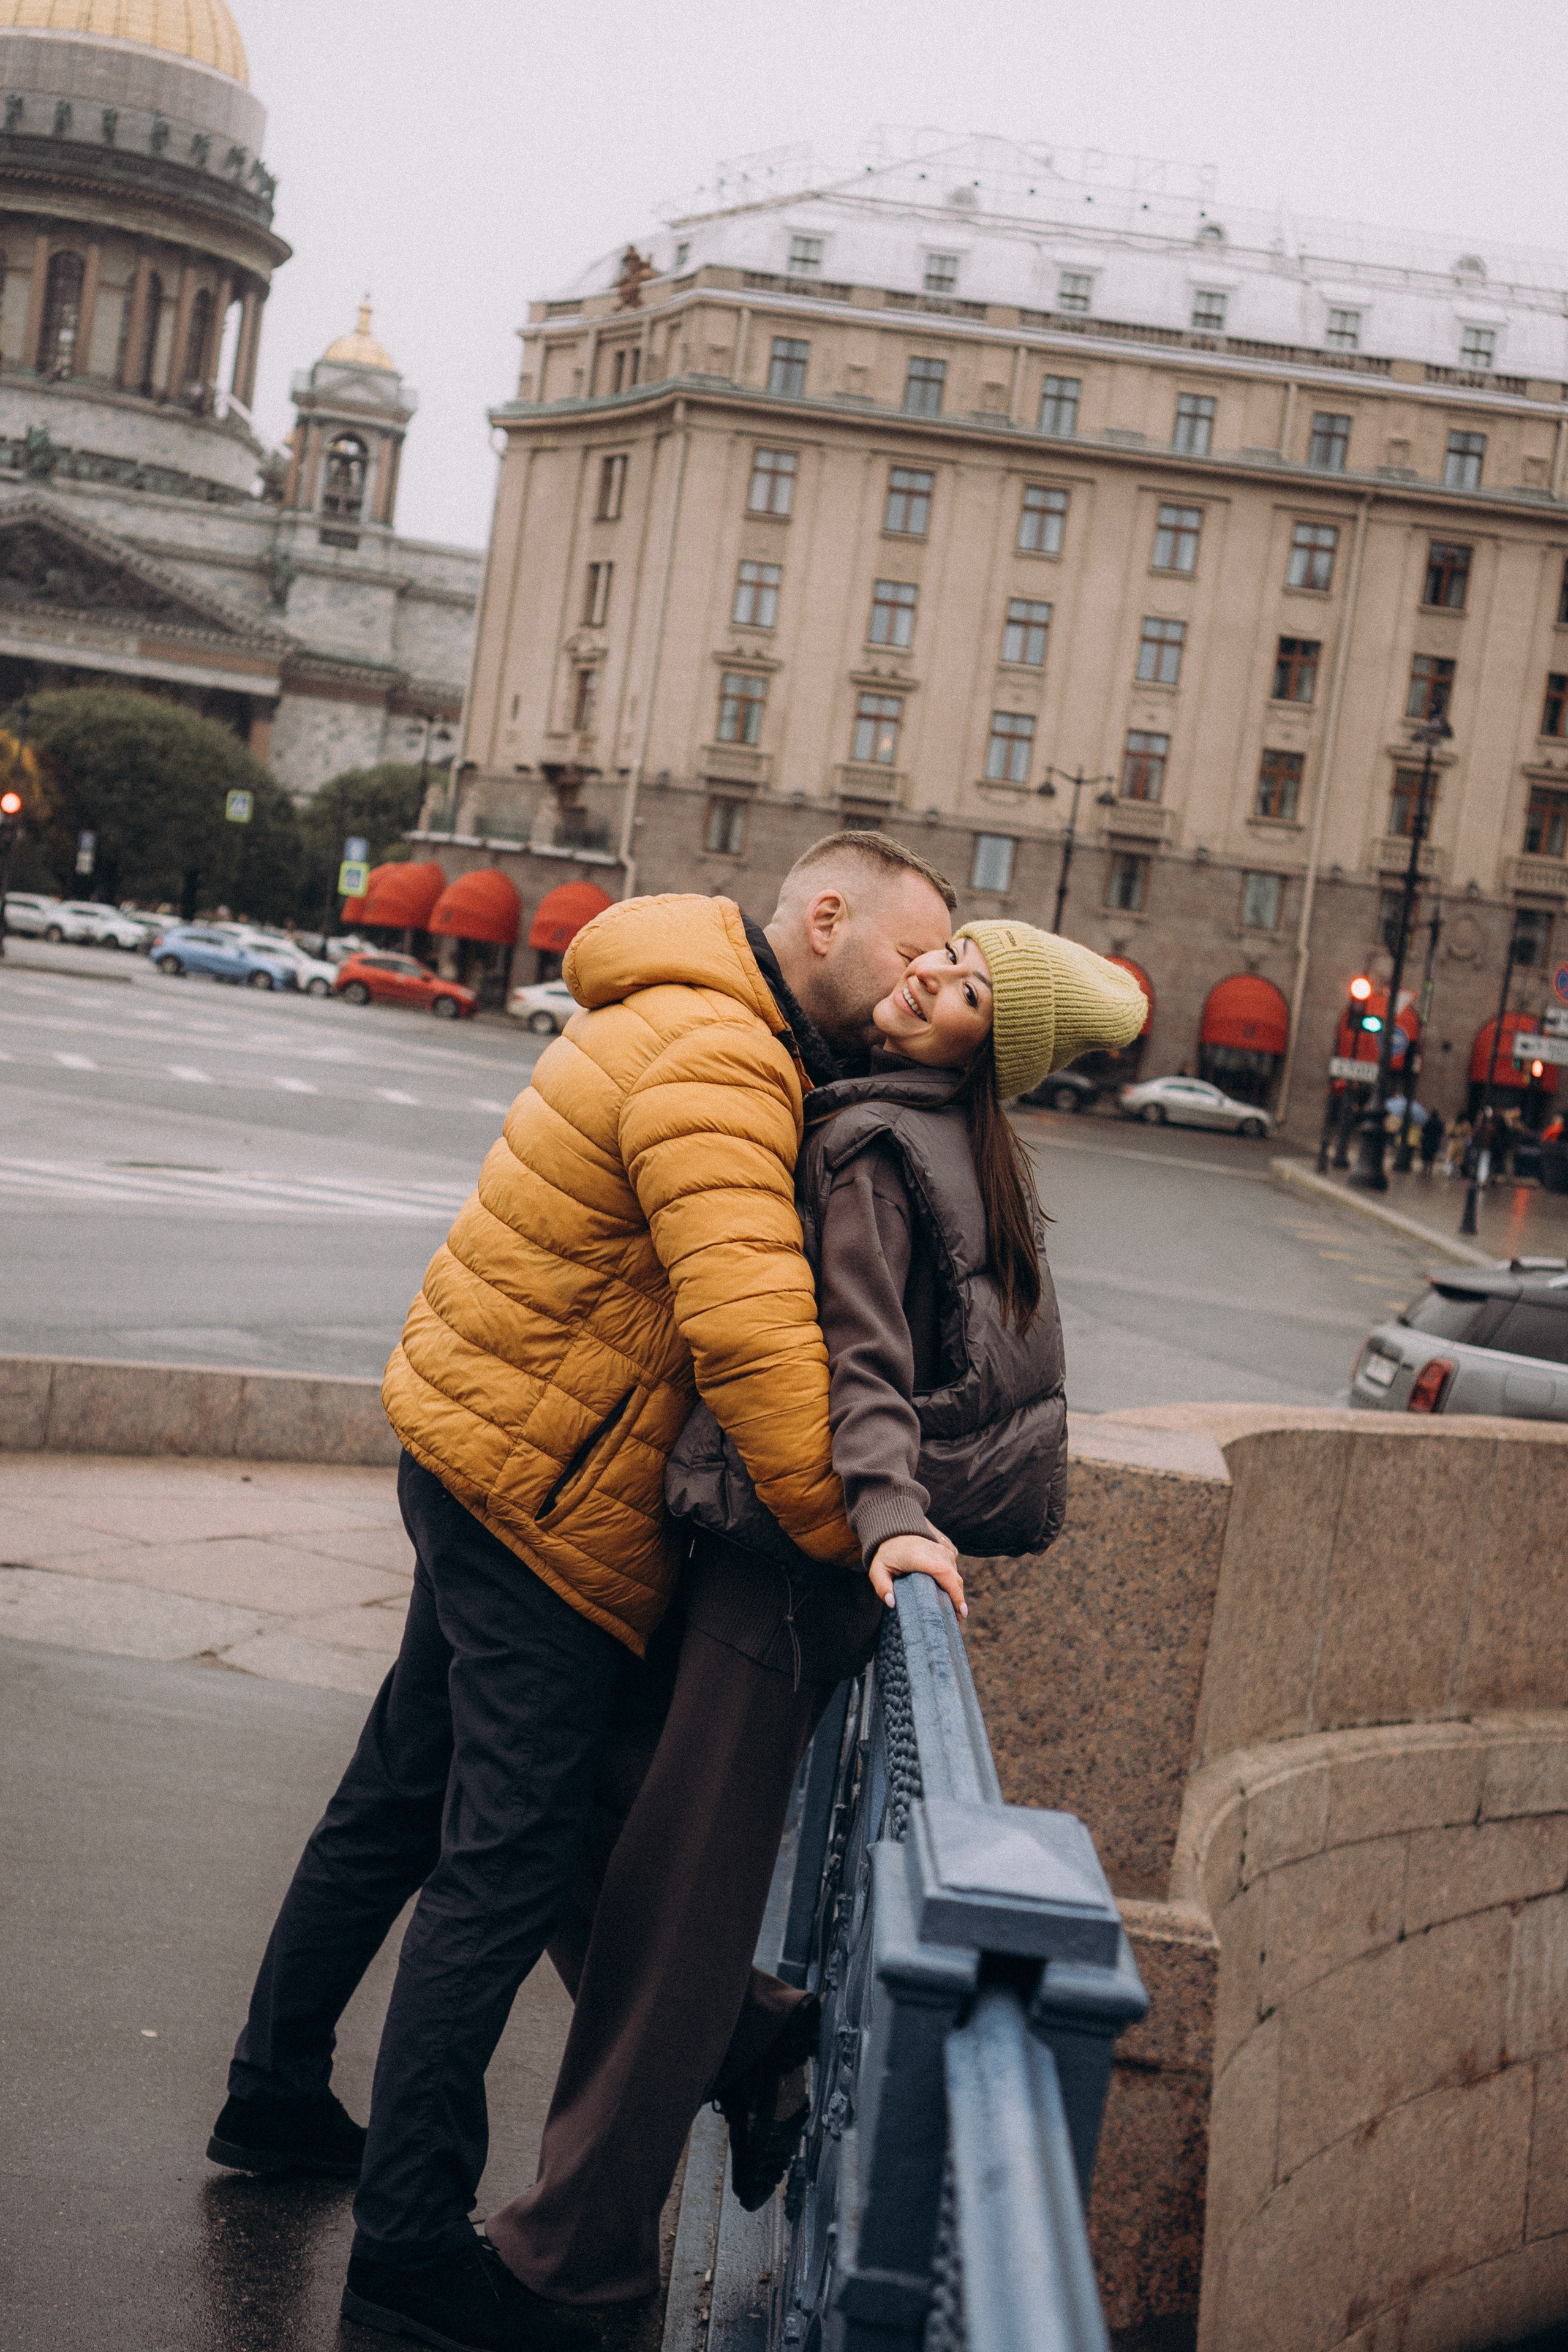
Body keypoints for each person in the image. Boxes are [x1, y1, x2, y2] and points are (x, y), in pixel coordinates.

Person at [207, 835, 957, 2352]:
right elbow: (750, 1339)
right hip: (543, 1495)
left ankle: (275, 2089)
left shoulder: (685, 1002)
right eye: (908, 955)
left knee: (395, 1794)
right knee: (502, 1858)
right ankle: (411, 2243)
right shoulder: (721, 1059)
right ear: (824, 918)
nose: (916, 988)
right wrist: (850, 1530)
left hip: (479, 1446)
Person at [483, 919, 1147, 2312]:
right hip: (783, 1562)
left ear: (989, 1051)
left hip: (781, 1571)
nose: (925, 977)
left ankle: (575, 2259)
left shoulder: (875, 1146)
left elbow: (860, 1363)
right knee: (582, 1828)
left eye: (965, 991)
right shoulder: (937, 1141)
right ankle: (764, 2036)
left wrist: (890, 1513)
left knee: (664, 1923)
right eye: (946, 952)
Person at [1419, 1106, 1444, 1175]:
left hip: (1427, 1141)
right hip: (1435, 1141)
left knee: (1426, 1156)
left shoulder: (1428, 1122)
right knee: (1432, 1155)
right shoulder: (1440, 1123)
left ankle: (1425, 1169)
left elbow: (1423, 1130)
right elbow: (1441, 1133)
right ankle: (1430, 1170)